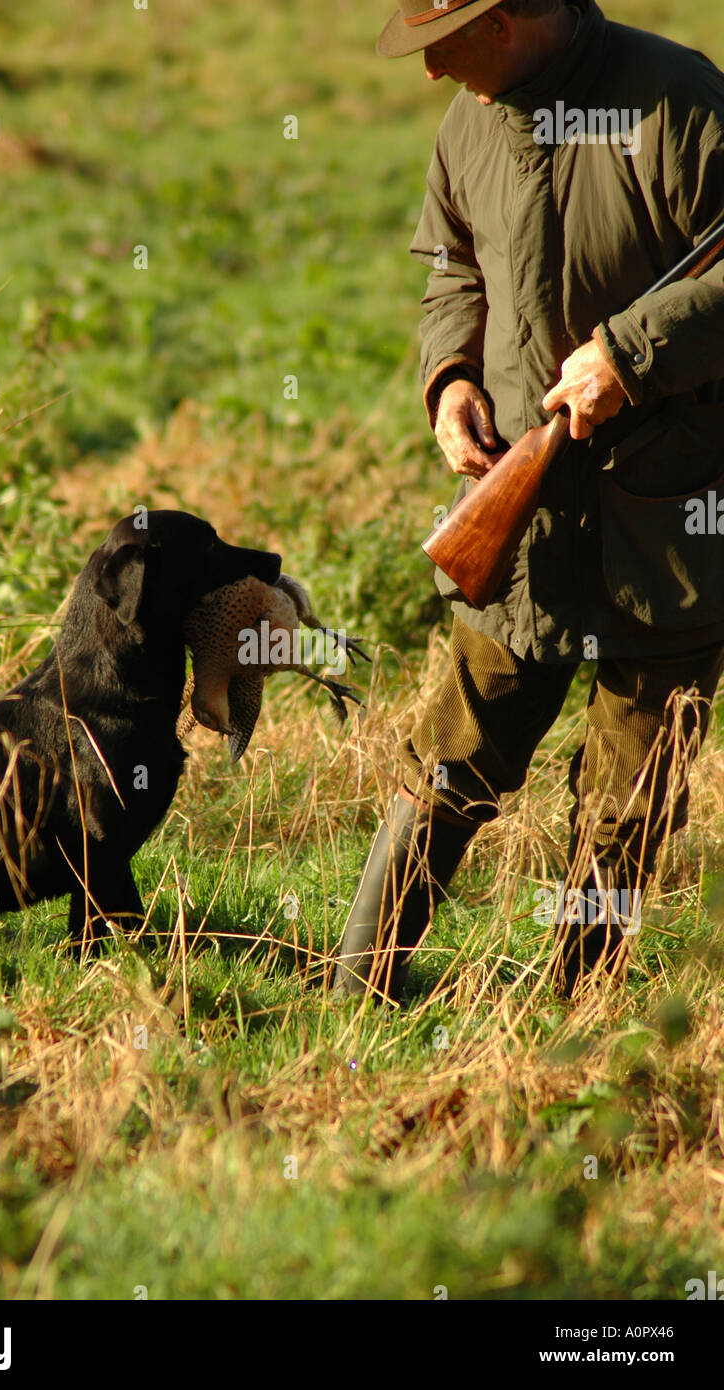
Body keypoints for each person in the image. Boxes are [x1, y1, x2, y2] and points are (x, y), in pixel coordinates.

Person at [333, 0, 724, 1001]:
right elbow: (450, 263)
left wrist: (633, 359)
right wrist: (450, 374)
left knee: (627, 800)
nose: (426, 73)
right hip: (520, 510)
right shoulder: (471, 117)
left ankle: (577, 1022)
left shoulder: (676, 101)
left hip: (670, 515)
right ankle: (352, 990)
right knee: (449, 759)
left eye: (443, 44)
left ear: (504, 20)